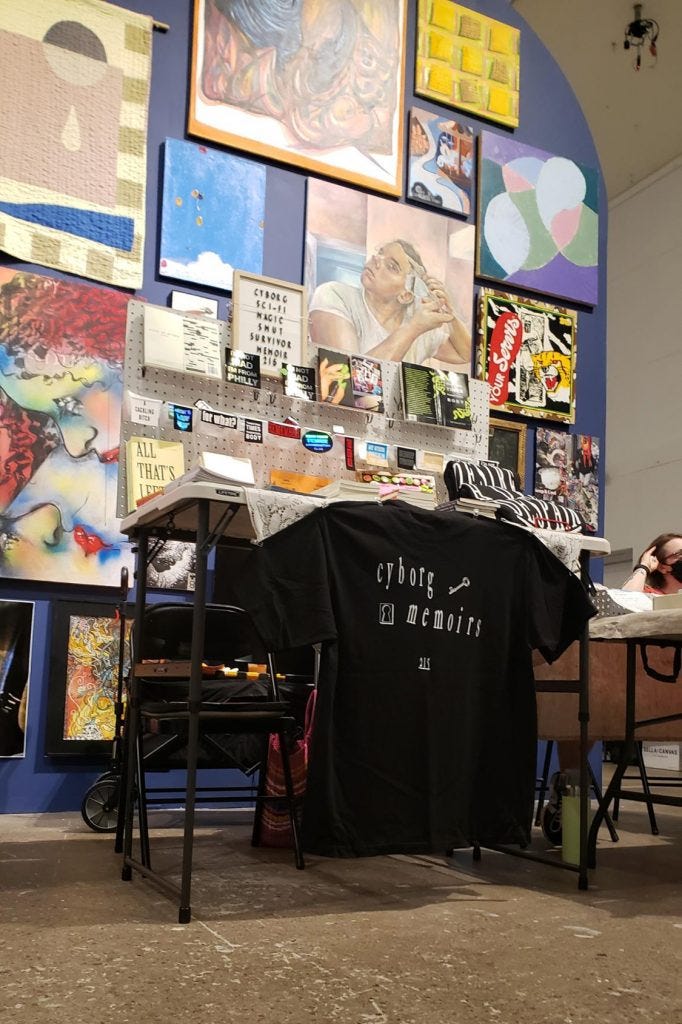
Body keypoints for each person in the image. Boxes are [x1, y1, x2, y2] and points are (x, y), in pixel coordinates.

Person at [543, 530, 682, 844]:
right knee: (592, 705)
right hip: (628, 684)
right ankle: (569, 789)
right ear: (660, 563)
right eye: (678, 556)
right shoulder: (643, 590)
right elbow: (619, 608)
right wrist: (641, 568)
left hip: (670, 691)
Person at [308, 239, 470, 369]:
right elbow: (347, 378)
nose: (376, 259)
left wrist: (450, 313)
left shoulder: (418, 326)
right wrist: (413, 328)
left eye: (392, 266)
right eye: (380, 253)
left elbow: (465, 353)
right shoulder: (335, 295)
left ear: (406, 295)